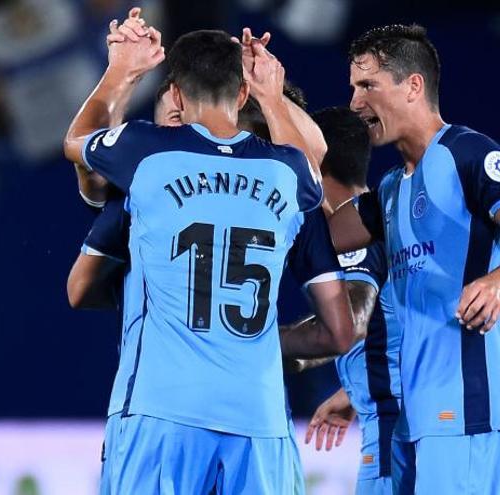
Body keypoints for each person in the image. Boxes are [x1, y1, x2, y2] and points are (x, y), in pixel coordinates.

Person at [64, 21, 354, 493]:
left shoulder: (147, 153)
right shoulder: (286, 172)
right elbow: (313, 159)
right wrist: (272, 94)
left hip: (163, 408)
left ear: (174, 95)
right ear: (242, 96)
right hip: (258, 416)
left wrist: (122, 71)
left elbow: (77, 142)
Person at [328, 24, 500, 494]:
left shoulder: (468, 153)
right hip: (418, 420)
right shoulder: (390, 189)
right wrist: (272, 100)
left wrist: (497, 281)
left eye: (368, 86)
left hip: (468, 410)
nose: (356, 103)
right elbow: (328, 228)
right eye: (352, 89)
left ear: (413, 86)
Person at [280, 106, 405, 494]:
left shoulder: (355, 239)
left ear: (314, 165)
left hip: (394, 429)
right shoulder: (379, 219)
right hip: (392, 418)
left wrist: (243, 340)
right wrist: (352, 390)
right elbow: (388, 328)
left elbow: (349, 326)